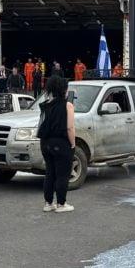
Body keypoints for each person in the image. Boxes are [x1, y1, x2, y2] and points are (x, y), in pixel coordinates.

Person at [37, 75, 76, 213]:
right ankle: (61, 204)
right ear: (63, 89)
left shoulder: (45, 104)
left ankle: (48, 203)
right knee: (62, 174)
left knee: (50, 173)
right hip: (61, 143)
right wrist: (73, 144)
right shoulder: (67, 105)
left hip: (45, 142)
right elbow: (70, 127)